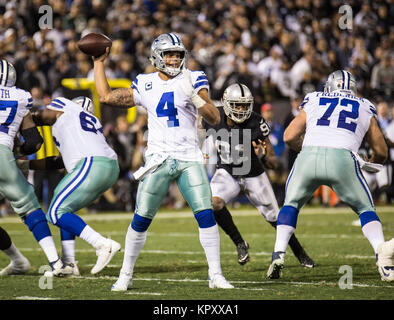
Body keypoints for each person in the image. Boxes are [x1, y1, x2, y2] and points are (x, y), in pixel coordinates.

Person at [93, 32, 233, 290]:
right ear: (158, 54)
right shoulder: (145, 82)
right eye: (169, 53)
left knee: (205, 215)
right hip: (158, 158)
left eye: (178, 54)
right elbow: (106, 97)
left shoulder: (194, 77)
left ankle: (216, 275)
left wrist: (194, 96)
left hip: (189, 157)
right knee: (141, 218)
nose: (173, 58)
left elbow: (214, 118)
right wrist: (98, 62)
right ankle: (125, 274)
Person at [266, 70, 394, 282]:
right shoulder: (363, 105)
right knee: (365, 209)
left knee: (291, 204)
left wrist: (305, 149)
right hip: (342, 158)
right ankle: (383, 261)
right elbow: (381, 150)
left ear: (329, 86)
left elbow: (289, 136)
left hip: (308, 156)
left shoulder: (315, 98)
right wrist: (372, 163)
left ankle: (278, 254)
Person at [202, 83, 315, 268]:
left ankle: (299, 252)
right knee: (213, 203)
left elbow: (272, 160)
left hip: (253, 173)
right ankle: (240, 243)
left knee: (275, 219)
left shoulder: (255, 122)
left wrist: (265, 156)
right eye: (237, 105)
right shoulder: (213, 117)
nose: (241, 109)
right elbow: (199, 128)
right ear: (226, 103)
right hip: (227, 172)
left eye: (244, 105)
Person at [22, 95, 121, 275]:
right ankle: (69, 264)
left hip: (92, 164)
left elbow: (45, 115)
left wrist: (25, 118)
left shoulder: (67, 107)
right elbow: (58, 162)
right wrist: (25, 164)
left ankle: (102, 244)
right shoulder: (81, 125)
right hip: (105, 166)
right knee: (64, 210)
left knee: (54, 213)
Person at [0, 59, 72, 276]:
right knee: (29, 206)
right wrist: (16, 153)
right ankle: (55, 263)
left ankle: (18, 259)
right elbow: (34, 142)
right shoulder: (21, 98)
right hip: (3, 152)